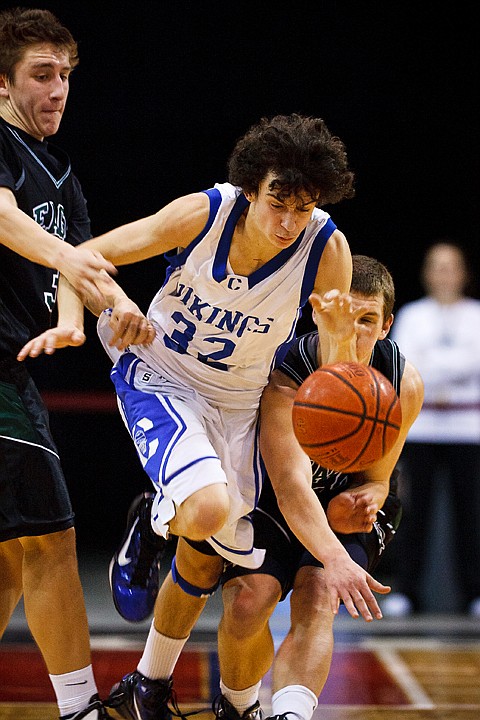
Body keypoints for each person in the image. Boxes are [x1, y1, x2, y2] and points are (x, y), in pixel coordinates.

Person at [19, 114, 393, 720]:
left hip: (238, 400)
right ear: (251, 188)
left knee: (208, 555)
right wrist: (73, 321)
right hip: (161, 370)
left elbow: (338, 382)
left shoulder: (328, 249)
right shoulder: (205, 213)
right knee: (208, 508)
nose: (288, 222)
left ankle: (152, 684)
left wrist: (334, 337)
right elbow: (83, 256)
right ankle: (153, 519)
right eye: (277, 203)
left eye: (303, 208)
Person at [0, 8, 150, 719]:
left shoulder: (59, 171)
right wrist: (65, 261)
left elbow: (81, 273)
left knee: (10, 558)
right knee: (53, 538)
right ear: (1, 83)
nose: (58, 88)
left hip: (14, 369)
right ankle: (80, 708)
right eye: (41, 75)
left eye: (65, 75)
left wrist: (114, 315)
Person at [211, 254, 424, 720]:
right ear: (326, 314)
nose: (357, 331)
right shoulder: (289, 369)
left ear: (387, 325)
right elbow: (288, 487)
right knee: (248, 602)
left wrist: (363, 501)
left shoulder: (403, 383)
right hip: (276, 493)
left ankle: (291, 715)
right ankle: (238, 705)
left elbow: (380, 481)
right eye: (348, 317)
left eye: (369, 320)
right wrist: (330, 543)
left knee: (320, 593)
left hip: (340, 498)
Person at [384, 240, 480, 615]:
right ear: (426, 273)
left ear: (463, 273)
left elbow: (474, 361)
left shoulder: (476, 314)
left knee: (469, 515)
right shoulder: (412, 315)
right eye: (436, 266)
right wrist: (452, 367)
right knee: (412, 513)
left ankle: (474, 593)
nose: (443, 274)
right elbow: (405, 364)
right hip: (421, 427)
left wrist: (436, 366)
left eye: (450, 266)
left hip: (468, 428)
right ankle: (406, 590)